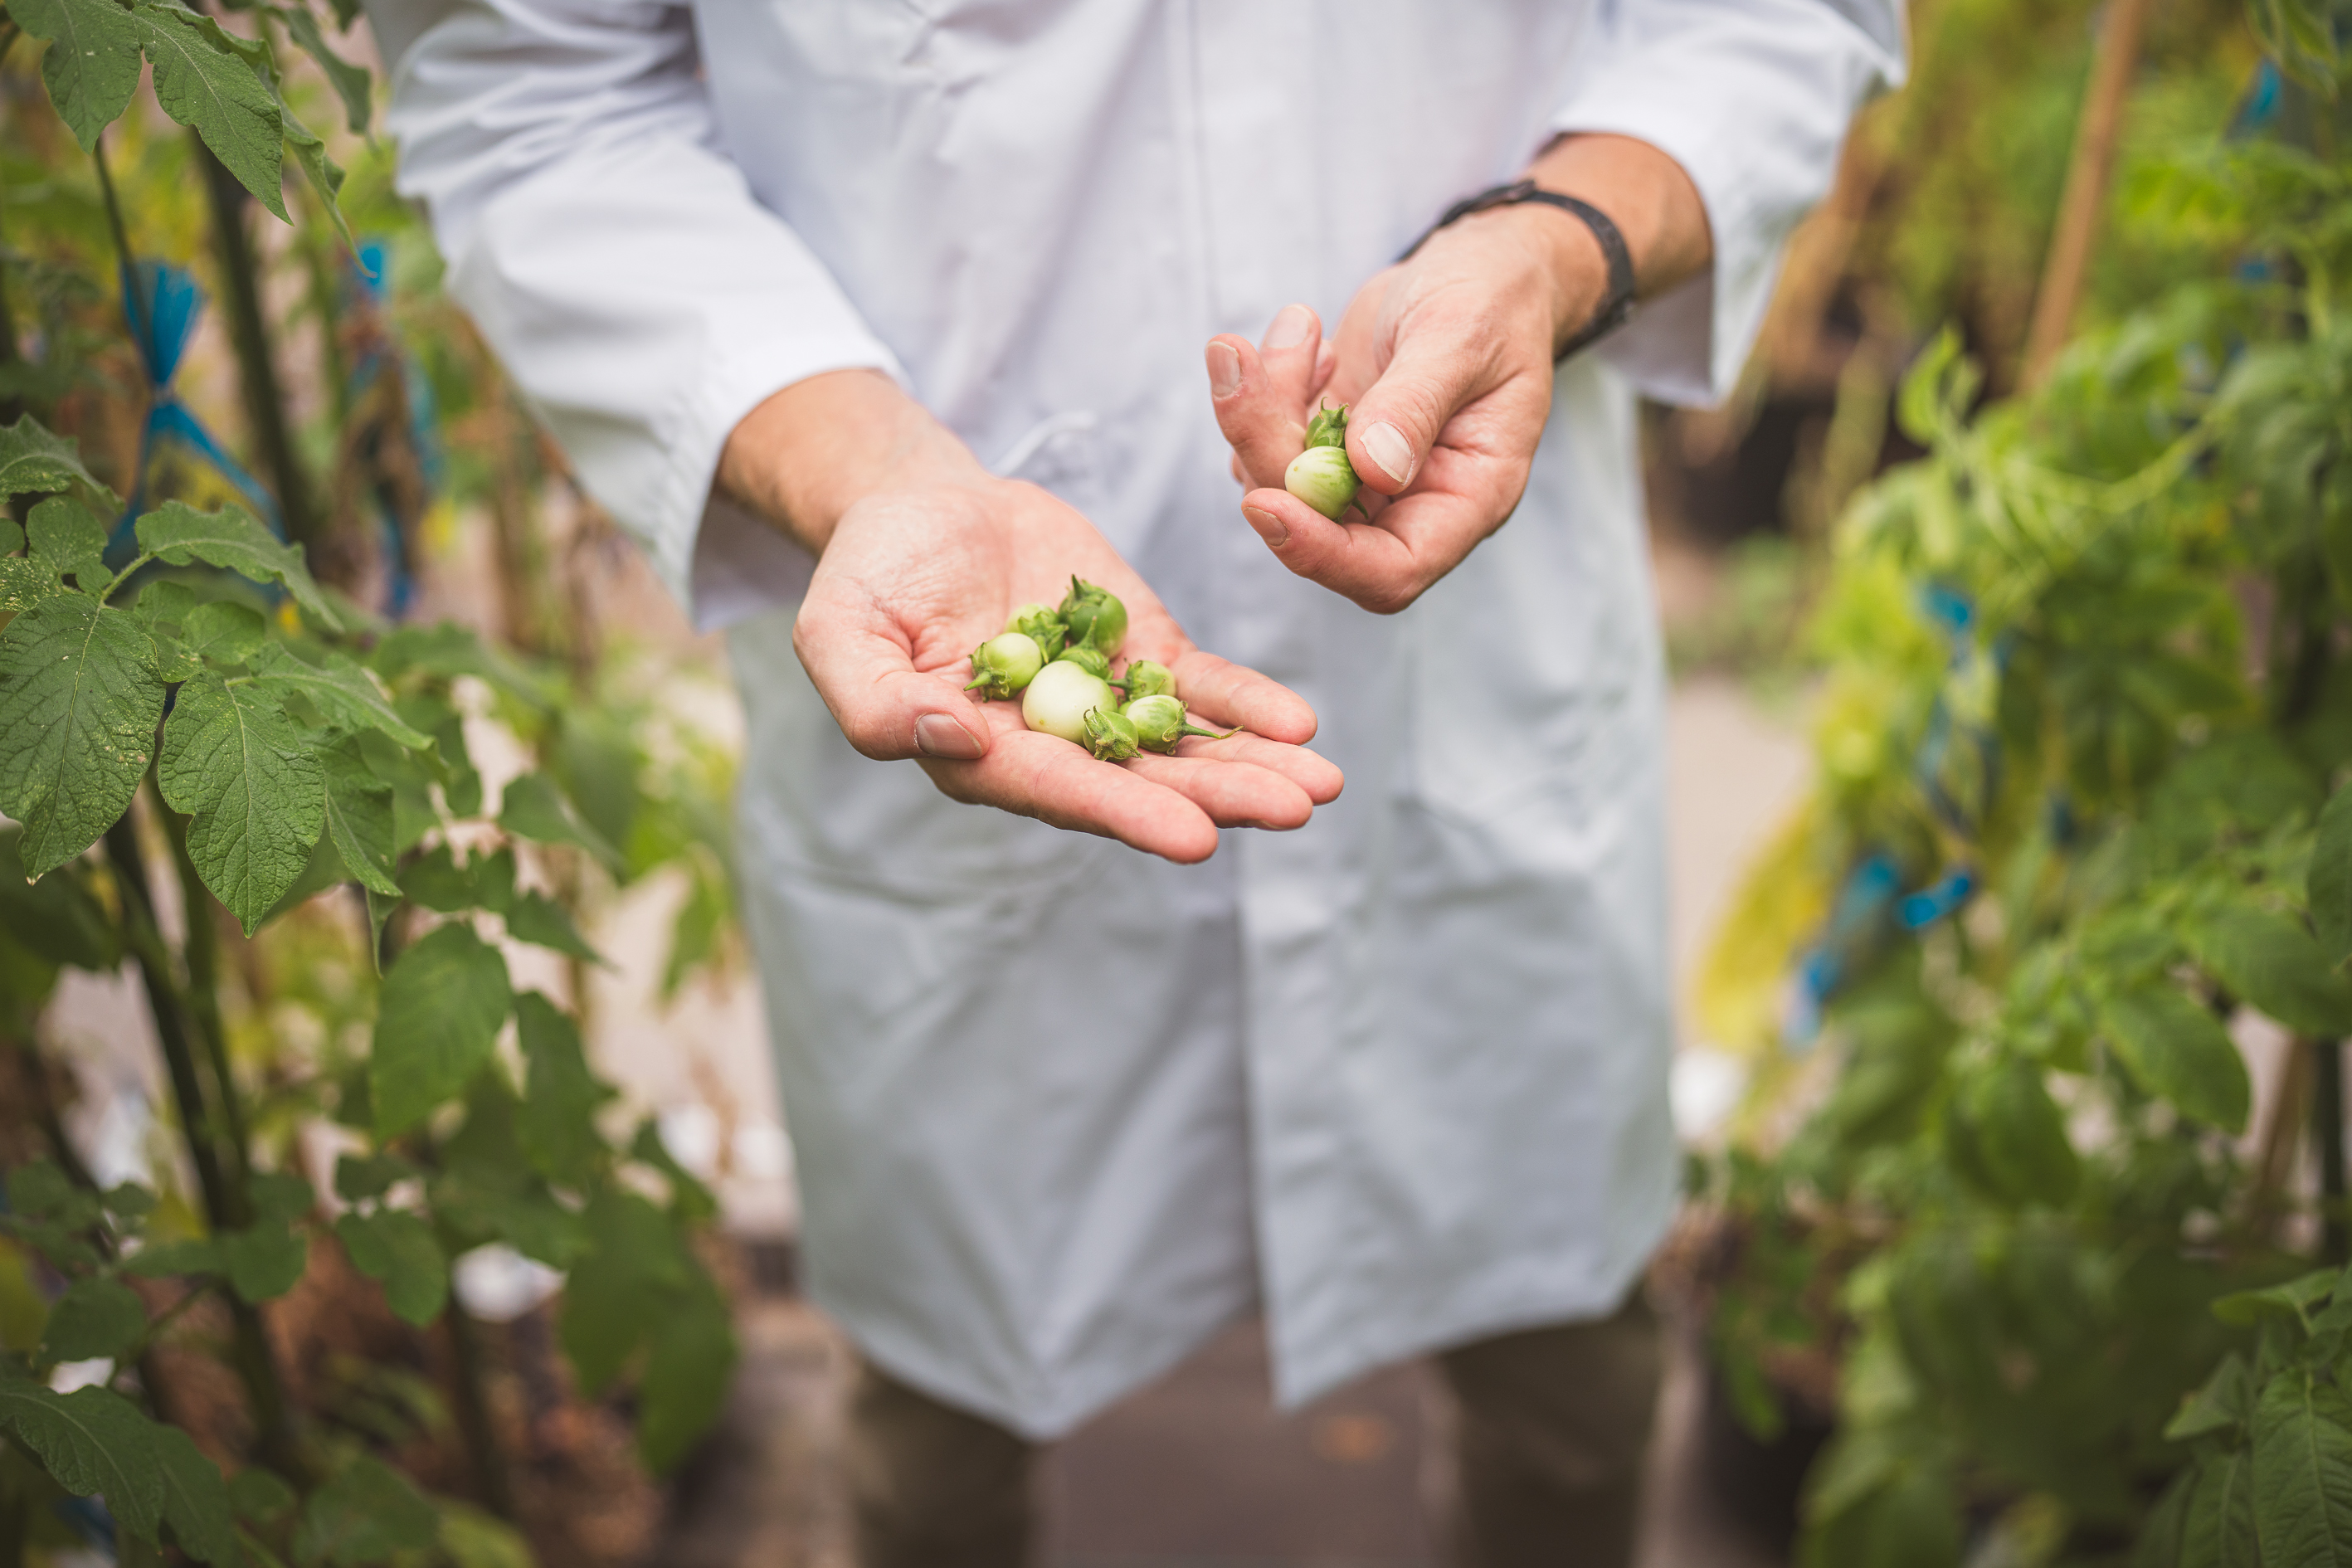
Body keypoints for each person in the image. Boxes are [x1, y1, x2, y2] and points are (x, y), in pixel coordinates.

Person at [367, 2, 1902, 1562]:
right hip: (929, 643)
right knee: (934, 1416)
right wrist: (866, 471)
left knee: (1567, 1371)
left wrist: (1561, 237)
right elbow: (533, 86)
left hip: (1475, 672)